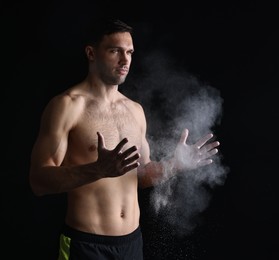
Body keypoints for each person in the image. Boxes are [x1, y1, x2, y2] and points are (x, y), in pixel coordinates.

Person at [29, 17, 220, 260]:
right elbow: (38, 181)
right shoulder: (67, 107)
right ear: (91, 53)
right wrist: (97, 170)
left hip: (131, 244)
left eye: (129, 52)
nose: (125, 60)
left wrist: (174, 165)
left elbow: (140, 177)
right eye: (115, 51)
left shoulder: (135, 111)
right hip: (86, 245)